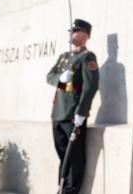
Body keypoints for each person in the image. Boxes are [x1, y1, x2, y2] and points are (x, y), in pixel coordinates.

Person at [46, 19, 100, 194]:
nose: (71, 34)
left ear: (84, 36)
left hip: (72, 115)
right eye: (71, 31)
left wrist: (82, 112)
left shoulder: (87, 57)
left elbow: (90, 86)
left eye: (75, 31)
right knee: (63, 155)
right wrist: (61, 79)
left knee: (74, 157)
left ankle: (69, 192)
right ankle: (62, 188)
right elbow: (49, 77)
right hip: (58, 113)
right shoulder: (64, 57)